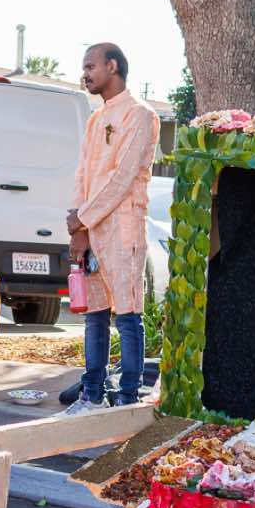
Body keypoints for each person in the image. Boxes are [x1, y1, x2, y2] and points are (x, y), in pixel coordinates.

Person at [65, 42, 155, 415]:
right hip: (93, 228)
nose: (84, 74)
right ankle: (91, 395)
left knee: (128, 314)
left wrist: (83, 218)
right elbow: (83, 176)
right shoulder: (95, 119)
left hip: (123, 227)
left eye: (90, 66)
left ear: (112, 66)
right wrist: (79, 227)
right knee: (95, 314)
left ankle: (128, 398)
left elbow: (123, 178)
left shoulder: (140, 115)